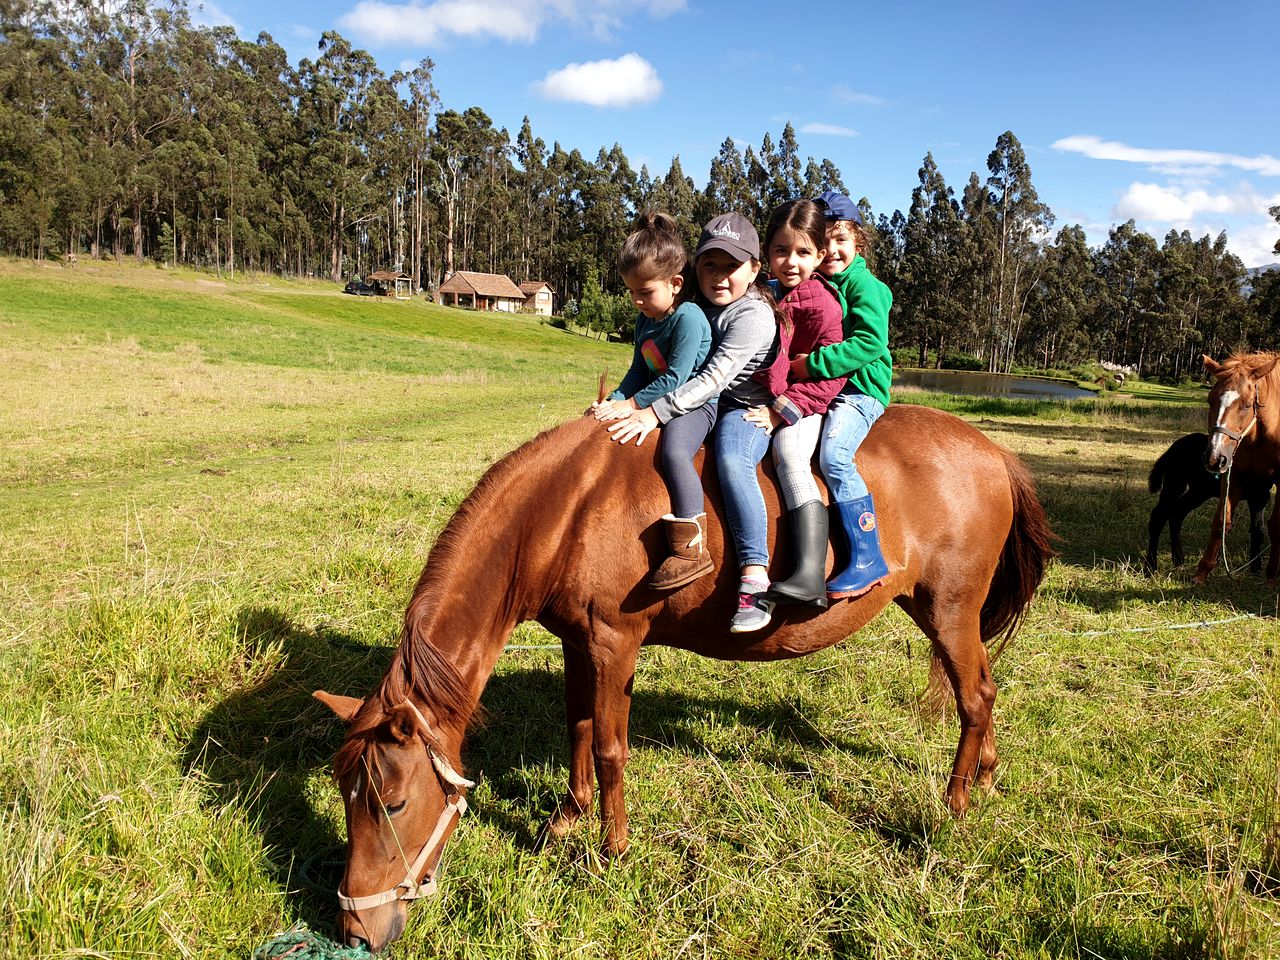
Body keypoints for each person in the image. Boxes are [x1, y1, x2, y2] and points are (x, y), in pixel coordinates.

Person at [606, 213, 777, 617]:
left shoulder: (751, 315)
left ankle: (754, 572)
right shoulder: (689, 307)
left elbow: (710, 379)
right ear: (694, 268)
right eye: (710, 265)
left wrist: (650, 411)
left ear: (754, 269)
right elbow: (643, 368)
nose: (719, 277)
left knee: (733, 462)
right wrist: (616, 401)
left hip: (740, 407)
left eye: (732, 266)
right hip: (696, 399)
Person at [593, 212, 712, 589]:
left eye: (645, 292)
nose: (637, 301)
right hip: (655, 401)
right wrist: (614, 401)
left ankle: (693, 543)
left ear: (675, 283)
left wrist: (634, 407)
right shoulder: (645, 321)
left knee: (675, 451)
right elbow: (638, 372)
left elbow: (677, 378)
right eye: (631, 292)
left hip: (694, 404)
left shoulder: (688, 319)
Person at [790, 191, 893, 598]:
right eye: (825, 242)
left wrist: (809, 364)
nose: (832, 250)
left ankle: (868, 556)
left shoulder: (868, 288)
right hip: (822, 391)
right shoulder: (819, 283)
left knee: (835, 456)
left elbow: (868, 343)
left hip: (859, 391)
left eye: (841, 240)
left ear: (859, 243)